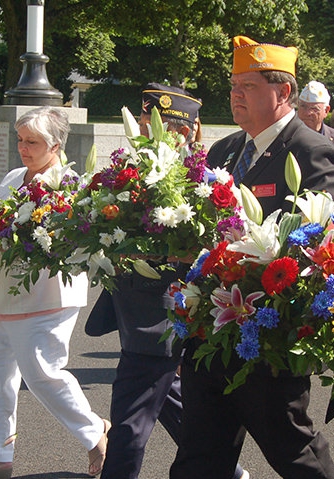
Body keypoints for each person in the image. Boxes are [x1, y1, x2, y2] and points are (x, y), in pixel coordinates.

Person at [170, 35, 334, 479]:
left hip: (266, 337)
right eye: (233, 85)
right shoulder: (224, 150)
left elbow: (319, 243)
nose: (234, 94)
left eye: (247, 86)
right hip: (210, 332)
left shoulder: (311, 151)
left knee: (293, 452)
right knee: (198, 457)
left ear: (283, 92)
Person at [86, 83, 248, 479]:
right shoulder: (121, 172)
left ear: (192, 131)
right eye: (151, 120)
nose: (158, 130)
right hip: (131, 302)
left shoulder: (207, 183)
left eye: (174, 126)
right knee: (169, 394)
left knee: (129, 418)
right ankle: (227, 469)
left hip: (168, 310)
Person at [0, 107, 109, 479]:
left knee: (43, 374)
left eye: (32, 142)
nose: (23, 148)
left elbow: (70, 244)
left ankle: (96, 432)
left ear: (55, 145)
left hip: (45, 298)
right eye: (21, 140)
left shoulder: (68, 185)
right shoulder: (11, 177)